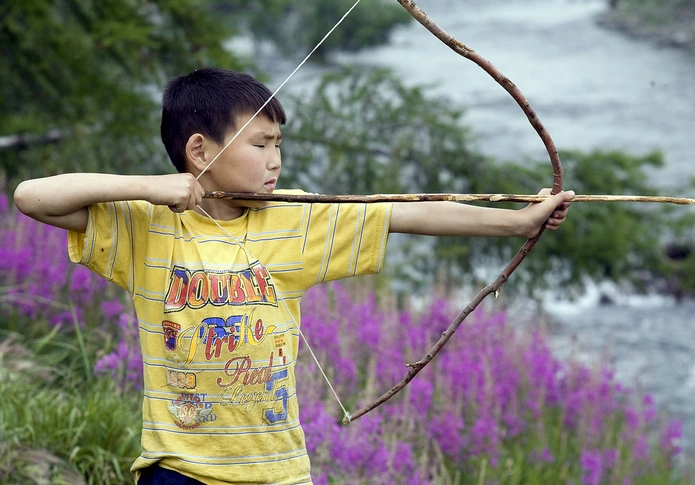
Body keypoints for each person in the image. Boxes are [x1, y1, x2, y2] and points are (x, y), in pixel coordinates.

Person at [13, 68, 574, 485]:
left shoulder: (295, 217)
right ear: (199, 150)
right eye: (260, 144)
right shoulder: (146, 225)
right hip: (177, 469)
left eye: (279, 144)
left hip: (277, 471)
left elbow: (407, 211)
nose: (275, 160)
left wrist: (515, 222)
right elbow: (31, 197)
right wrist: (150, 186)